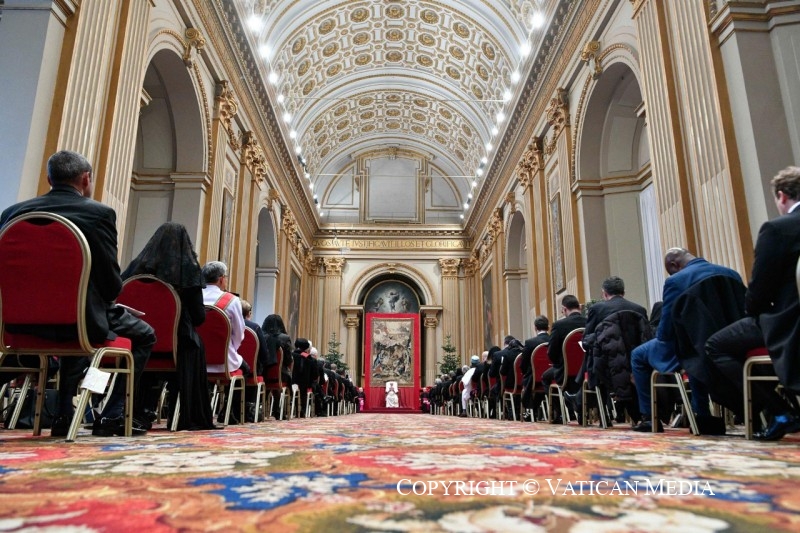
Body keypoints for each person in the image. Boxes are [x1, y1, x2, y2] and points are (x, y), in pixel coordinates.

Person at [0, 150, 155, 437]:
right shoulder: (98, 214)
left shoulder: (12, 214)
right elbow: (111, 284)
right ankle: (113, 413)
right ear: (86, 178)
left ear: (49, 179)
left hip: (17, 324)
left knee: (78, 317)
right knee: (144, 334)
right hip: (79, 321)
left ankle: (65, 412)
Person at [708, 166, 800, 440]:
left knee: (716, 345)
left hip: (788, 321)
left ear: (782, 196)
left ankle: (780, 411)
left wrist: (752, 311)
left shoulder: (778, 229)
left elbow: (759, 288)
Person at [630, 248, 742, 432]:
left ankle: (650, 418)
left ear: (674, 265)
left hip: (693, 347)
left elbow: (666, 329)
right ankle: (701, 413)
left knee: (638, 355)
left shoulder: (676, 281)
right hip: (730, 346)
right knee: (693, 349)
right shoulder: (731, 274)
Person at [121, 222, 216, 431]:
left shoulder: (136, 268)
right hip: (176, 344)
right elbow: (199, 318)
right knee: (195, 345)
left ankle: (134, 410)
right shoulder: (189, 271)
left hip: (136, 342)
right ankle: (182, 414)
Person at [569, 277, 649, 423]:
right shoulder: (639, 309)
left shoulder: (597, 309)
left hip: (606, 365)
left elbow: (586, 339)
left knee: (593, 353)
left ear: (604, 293)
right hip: (635, 363)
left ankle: (582, 401)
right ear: (623, 292)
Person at [201, 261, 249, 375]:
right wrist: (230, 348)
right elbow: (239, 333)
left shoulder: (194, 296)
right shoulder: (232, 300)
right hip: (225, 363)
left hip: (195, 360)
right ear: (221, 279)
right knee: (246, 370)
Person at [543, 295, 586, 422]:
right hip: (588, 369)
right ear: (579, 307)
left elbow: (551, 352)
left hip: (566, 371)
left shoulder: (559, 325)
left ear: (564, 309)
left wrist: (558, 363)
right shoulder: (589, 321)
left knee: (545, 377)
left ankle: (561, 413)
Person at [521, 316, 550, 419]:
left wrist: (525, 372)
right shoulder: (553, 340)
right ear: (548, 327)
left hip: (534, 379)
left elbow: (523, 364)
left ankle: (531, 411)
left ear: (535, 328)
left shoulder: (530, 343)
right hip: (553, 377)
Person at [240, 300, 269, 376]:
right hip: (252, 371)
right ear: (249, 313)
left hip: (231, 368)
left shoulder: (229, 324)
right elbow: (264, 354)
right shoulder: (255, 327)